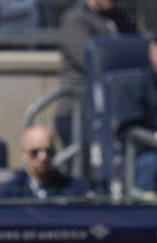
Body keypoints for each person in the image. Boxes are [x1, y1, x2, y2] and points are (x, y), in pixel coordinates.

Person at [55, 0, 135, 147]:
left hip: (118, 110)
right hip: (78, 112)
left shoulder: (121, 19)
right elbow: (93, 61)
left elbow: (139, 55)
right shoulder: (75, 19)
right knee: (83, 166)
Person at [0, 125, 91, 199]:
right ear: (23, 154)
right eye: (35, 152)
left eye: (49, 151)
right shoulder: (9, 193)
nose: (43, 157)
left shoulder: (74, 189)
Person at [132, 34, 157, 195]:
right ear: (151, 51)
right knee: (150, 163)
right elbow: (128, 129)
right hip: (148, 150)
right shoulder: (137, 84)